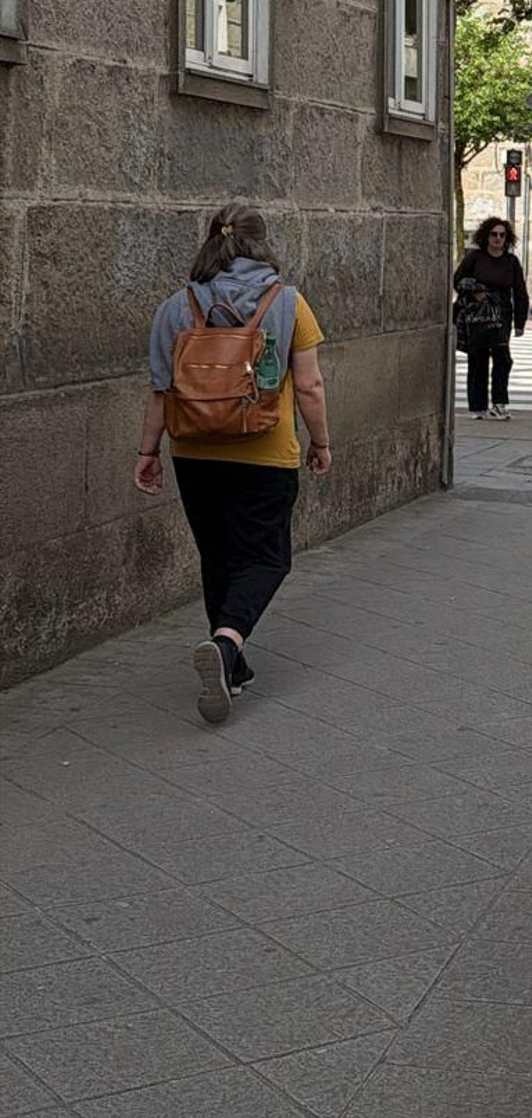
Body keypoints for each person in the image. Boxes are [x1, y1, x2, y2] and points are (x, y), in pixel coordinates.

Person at [135, 203, 331, 727]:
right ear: (261, 243)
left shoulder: (175, 307)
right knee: (268, 559)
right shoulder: (288, 303)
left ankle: (234, 667)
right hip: (265, 452)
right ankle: (225, 645)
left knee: (218, 556)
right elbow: (309, 385)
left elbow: (161, 390)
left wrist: (148, 452)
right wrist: (321, 443)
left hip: (195, 452)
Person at [452, 215, 530, 420]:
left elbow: (520, 292)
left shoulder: (511, 262)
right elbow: (458, 280)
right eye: (494, 234)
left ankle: (499, 403)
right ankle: (478, 406)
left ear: (507, 238)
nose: (497, 238)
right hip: (478, 315)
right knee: (477, 359)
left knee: (502, 359)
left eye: (502, 235)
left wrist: (520, 322)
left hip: (502, 315)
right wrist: (475, 291)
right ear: (486, 236)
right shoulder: (475, 258)